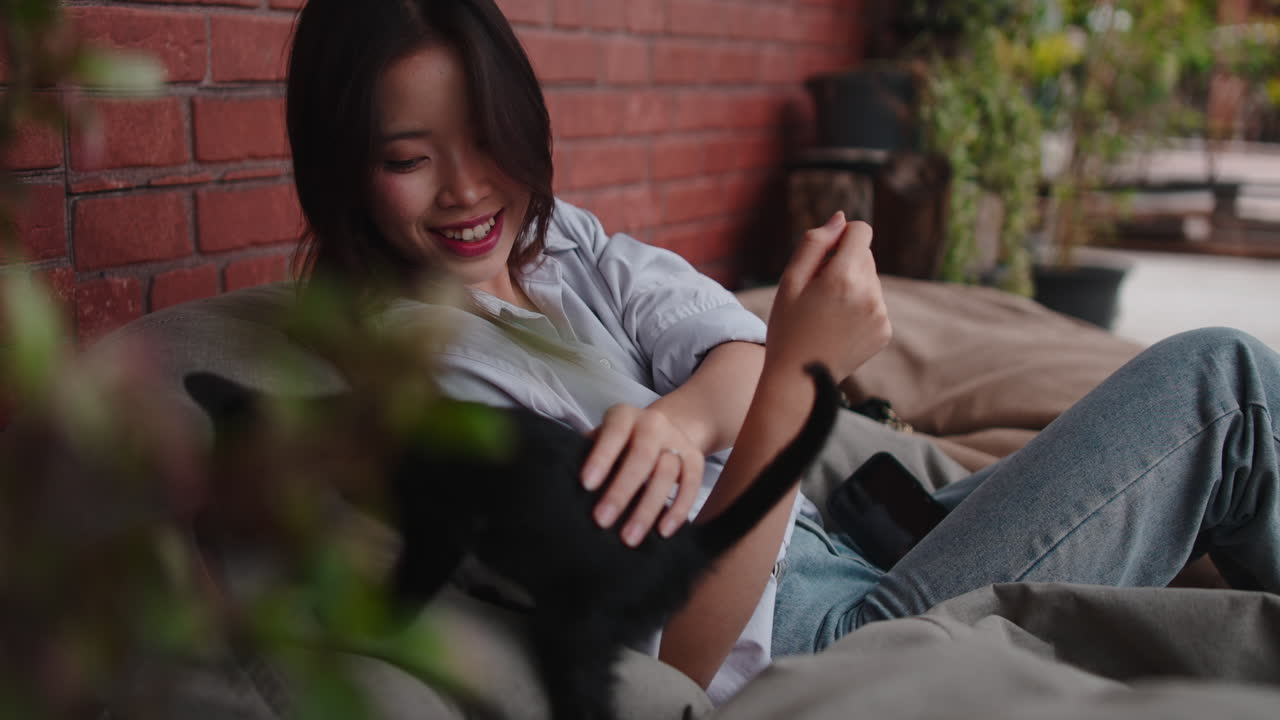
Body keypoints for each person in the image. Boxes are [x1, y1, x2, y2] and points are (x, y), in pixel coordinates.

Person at [284, 0, 1280, 706]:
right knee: (1225, 392)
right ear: (344, 169)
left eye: (488, 137)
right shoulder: (421, 380)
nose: (466, 191)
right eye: (409, 159)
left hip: (844, 542)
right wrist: (797, 383)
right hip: (822, 641)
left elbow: (738, 345)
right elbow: (677, 649)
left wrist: (684, 415)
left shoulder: (561, 247)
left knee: (1217, 387)